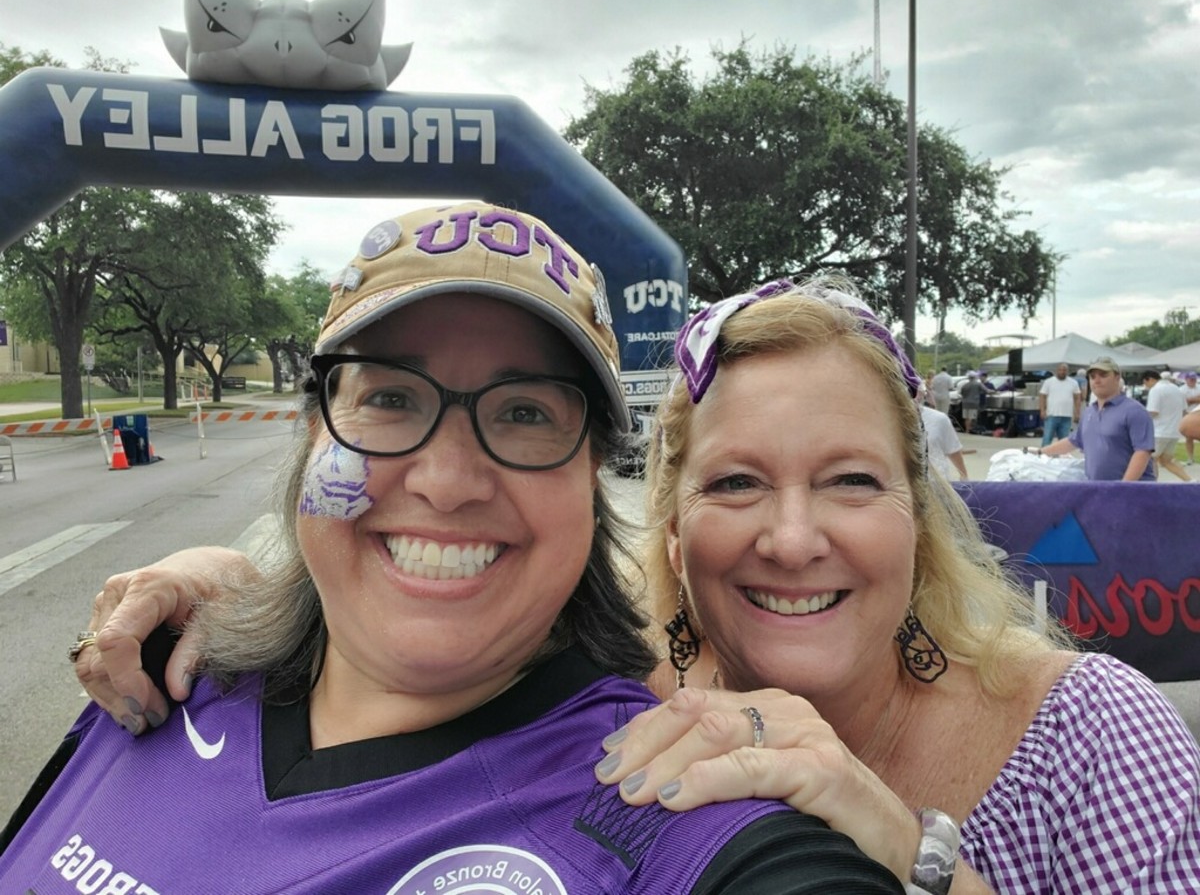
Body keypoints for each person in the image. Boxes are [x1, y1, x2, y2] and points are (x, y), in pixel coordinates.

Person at [72, 276, 1200, 893]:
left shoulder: (1092, 738)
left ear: (919, 513)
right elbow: (417, 599)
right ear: (670, 526)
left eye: (851, 482)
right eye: (740, 482)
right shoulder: (623, 701)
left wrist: (911, 851)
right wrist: (221, 581)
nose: (793, 537)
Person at [1, 205, 903, 894]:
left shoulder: (666, 810)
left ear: (591, 481)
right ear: (314, 432)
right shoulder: (153, 665)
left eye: (524, 413)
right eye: (390, 398)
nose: (446, 479)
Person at [1033, 356, 1155, 481]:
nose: (1097, 380)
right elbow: (1073, 441)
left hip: (1131, 494)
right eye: (1092, 377)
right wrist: (1040, 452)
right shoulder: (1090, 411)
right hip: (1099, 491)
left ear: (1117, 377)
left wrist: (1123, 488)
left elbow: (1142, 452)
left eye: (1103, 375)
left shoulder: (1134, 411)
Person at [1142, 369, 1193, 482]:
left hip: (1159, 431)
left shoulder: (1156, 390)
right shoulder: (1177, 389)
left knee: (1151, 460)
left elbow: (1153, 411)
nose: (1146, 386)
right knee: (1166, 461)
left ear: (1149, 379)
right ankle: (1190, 481)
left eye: (1145, 383)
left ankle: (1152, 485)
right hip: (1174, 432)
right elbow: (1184, 410)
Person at [917, 388, 968, 481]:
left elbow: (953, 449)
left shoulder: (939, 419)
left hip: (937, 483)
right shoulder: (886, 421)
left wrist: (964, 476)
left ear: (921, 393)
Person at [1037, 362, 1081, 445]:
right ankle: (1044, 455)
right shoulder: (1048, 382)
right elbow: (1042, 396)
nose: (1062, 372)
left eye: (1064, 370)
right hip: (1051, 415)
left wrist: (1077, 413)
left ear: (1067, 371)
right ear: (1057, 370)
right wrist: (1042, 410)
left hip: (1066, 416)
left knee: (1064, 441)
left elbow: (1077, 398)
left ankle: (1063, 457)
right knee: (1047, 438)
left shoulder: (1073, 383)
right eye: (1060, 370)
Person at [1183, 371, 1200, 464]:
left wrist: (1191, 399)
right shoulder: (1181, 389)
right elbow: (1183, 402)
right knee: (1189, 438)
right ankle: (1190, 458)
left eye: (1194, 379)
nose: (1193, 380)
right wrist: (1196, 399)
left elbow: (1188, 401)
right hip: (1188, 414)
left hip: (1198, 414)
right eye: (1191, 379)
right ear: (1186, 379)